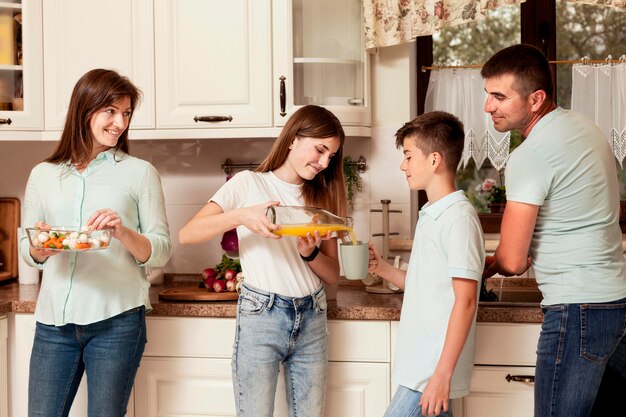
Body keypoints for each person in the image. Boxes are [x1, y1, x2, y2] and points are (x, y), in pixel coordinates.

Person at [481, 44, 626, 417]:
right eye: (487, 95)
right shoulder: (585, 129)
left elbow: (513, 261)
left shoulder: (530, 155)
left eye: (499, 96)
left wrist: (489, 264)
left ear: (536, 99)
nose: (488, 107)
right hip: (617, 304)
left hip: (576, 310)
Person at [20, 68, 172, 416]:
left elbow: (160, 249)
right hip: (54, 323)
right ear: (85, 110)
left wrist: (122, 232)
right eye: (111, 111)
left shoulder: (140, 172)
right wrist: (38, 248)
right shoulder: (43, 175)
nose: (120, 123)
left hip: (117, 323)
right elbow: (26, 248)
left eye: (127, 113)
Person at [179, 104, 347, 417]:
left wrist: (308, 253)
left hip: (312, 316)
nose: (324, 162)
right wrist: (242, 215)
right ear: (294, 138)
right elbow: (188, 233)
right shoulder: (247, 184)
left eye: (331, 156)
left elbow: (333, 274)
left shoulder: (321, 198)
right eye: (320, 150)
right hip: (261, 316)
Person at [369, 111, 485, 417]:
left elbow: (466, 301)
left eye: (408, 156)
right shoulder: (431, 214)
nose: (402, 165)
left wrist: (441, 376)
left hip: (429, 373)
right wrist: (381, 267)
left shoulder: (458, 218)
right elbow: (427, 285)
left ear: (434, 160)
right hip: (419, 369)